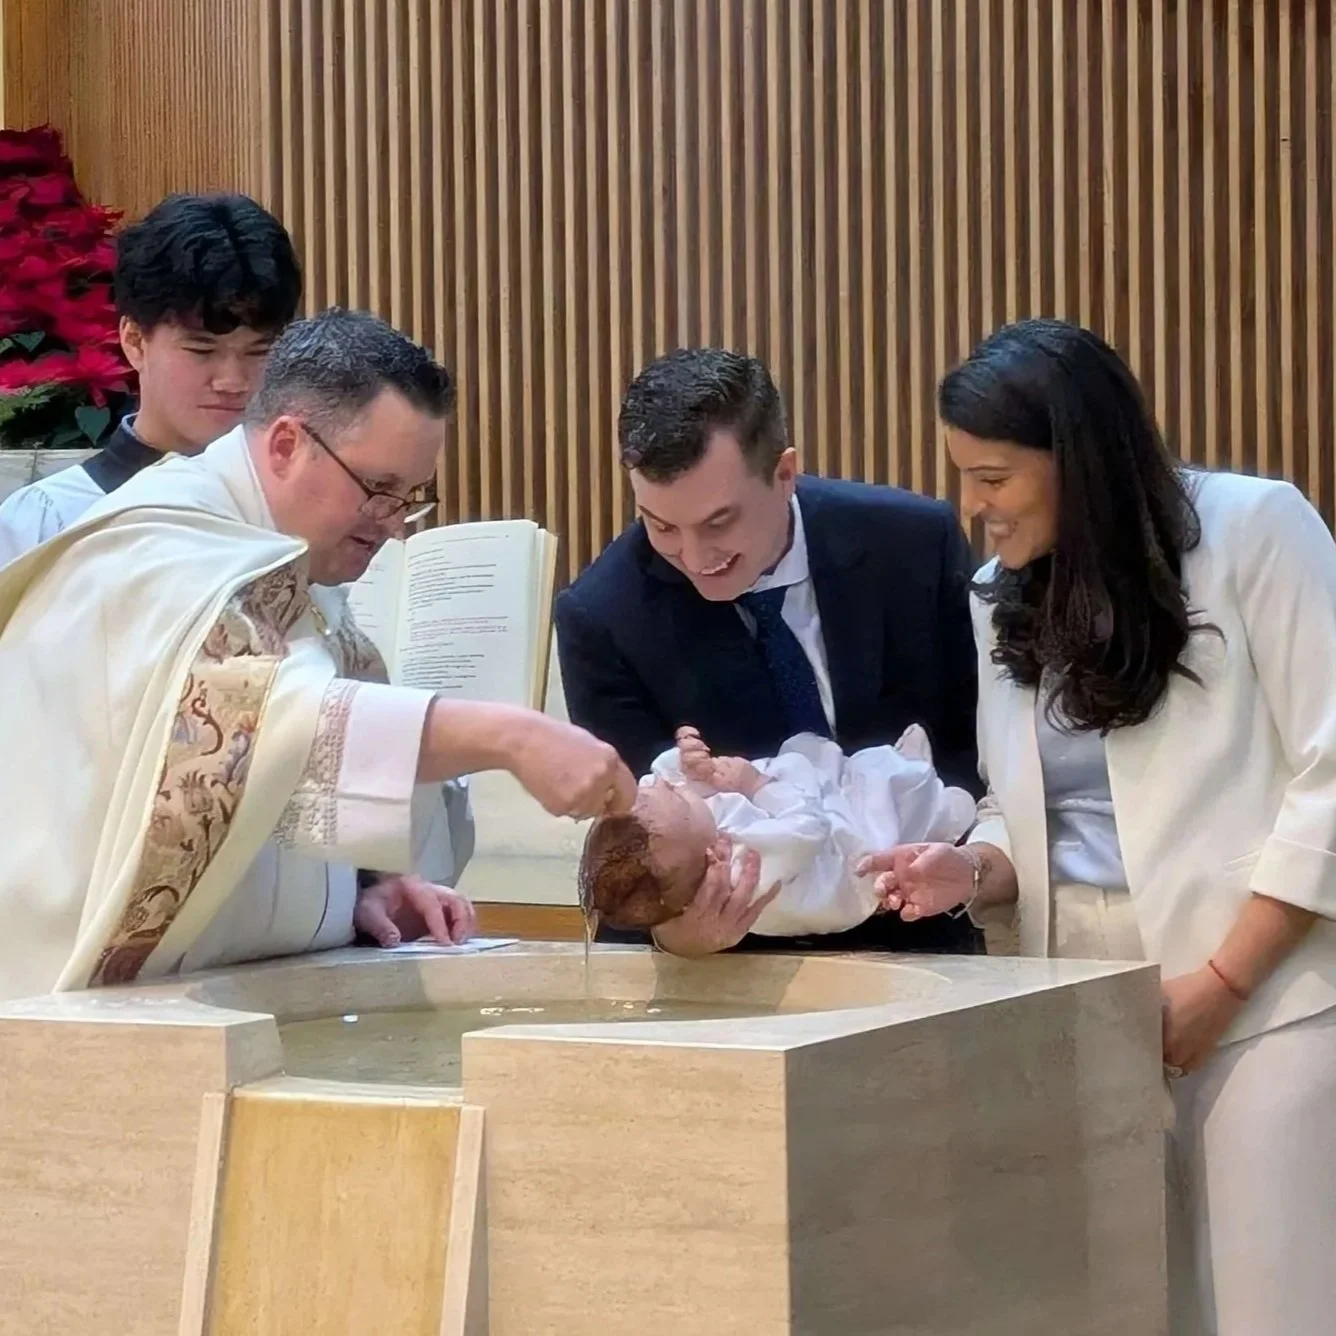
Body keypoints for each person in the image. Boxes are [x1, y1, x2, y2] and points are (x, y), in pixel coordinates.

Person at [862, 318, 1336, 1335]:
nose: (972, 508)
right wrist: (973, 867)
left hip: (1261, 988)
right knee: (1111, 1308)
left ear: (1074, 457)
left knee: (1270, 1307)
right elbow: (1025, 808)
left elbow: (1330, 773)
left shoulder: (1255, 528)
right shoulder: (1000, 595)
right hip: (1073, 1000)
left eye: (992, 476)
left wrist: (1221, 983)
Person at [0, 308, 635, 1002]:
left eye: (410, 498)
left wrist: (348, 896)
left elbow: (266, 805)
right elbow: (254, 728)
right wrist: (510, 735)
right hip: (75, 1010)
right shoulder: (155, 547)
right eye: (379, 490)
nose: (393, 526)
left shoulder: (289, 561)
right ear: (284, 445)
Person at [555, 346, 981, 958]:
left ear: (784, 474)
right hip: (736, 971)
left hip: (928, 935)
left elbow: (974, 752)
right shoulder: (603, 616)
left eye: (719, 522)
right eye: (661, 526)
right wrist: (678, 933)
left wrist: (963, 866)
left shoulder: (913, 546)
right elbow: (640, 841)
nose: (696, 556)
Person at [0, 192, 302, 563]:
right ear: (134, 341)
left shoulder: (298, 518)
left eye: (259, 351)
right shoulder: (48, 521)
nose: (233, 380)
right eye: (202, 350)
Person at [581, 724, 974, 937]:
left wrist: (687, 762)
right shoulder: (747, 869)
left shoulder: (684, 845)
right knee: (876, 806)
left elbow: (663, 786)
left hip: (803, 838)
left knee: (812, 761)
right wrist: (756, 787)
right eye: (680, 796)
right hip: (835, 864)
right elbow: (808, 827)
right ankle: (935, 802)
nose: (667, 783)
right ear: (710, 852)